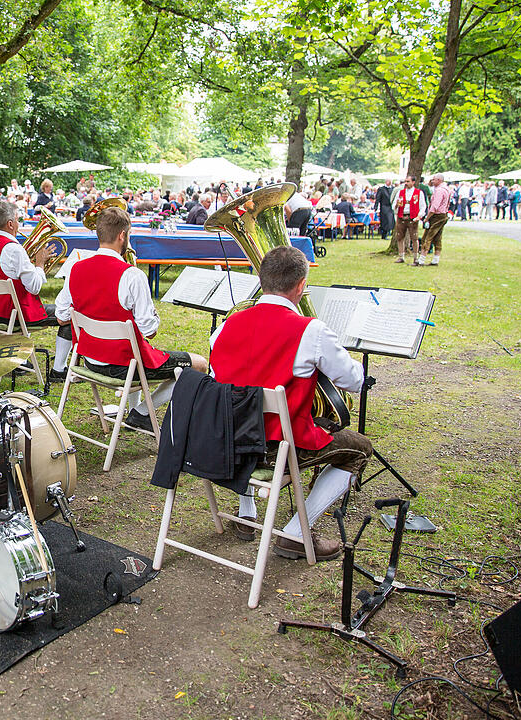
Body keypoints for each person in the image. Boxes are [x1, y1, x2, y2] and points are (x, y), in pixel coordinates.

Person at [209, 246, 372, 561]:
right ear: (300, 287)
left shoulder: (225, 327)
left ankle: (247, 512)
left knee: (244, 409)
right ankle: (296, 533)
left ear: (261, 279)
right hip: (276, 448)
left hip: (228, 441)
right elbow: (353, 381)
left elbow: (221, 383)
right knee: (360, 448)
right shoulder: (311, 330)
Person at [55, 205, 209, 431]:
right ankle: (142, 412)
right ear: (122, 235)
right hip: (122, 365)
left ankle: (136, 411)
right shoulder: (131, 275)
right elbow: (149, 331)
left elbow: (60, 317)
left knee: (137, 354)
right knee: (199, 365)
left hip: (89, 361)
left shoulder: (76, 269)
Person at [0, 200, 70, 378]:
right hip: (11, 316)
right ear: (10, 224)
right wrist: (39, 263)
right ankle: (59, 370)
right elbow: (35, 287)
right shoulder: (14, 250)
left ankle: (20, 360)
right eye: (17, 220)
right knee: (69, 313)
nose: (18, 224)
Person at [391, 176, 426, 264]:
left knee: (414, 238)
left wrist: (419, 216)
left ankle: (415, 257)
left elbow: (423, 206)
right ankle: (401, 256)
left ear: (413, 182)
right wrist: (396, 206)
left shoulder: (419, 193)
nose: (406, 183)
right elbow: (394, 204)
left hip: (413, 217)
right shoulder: (400, 192)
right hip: (401, 216)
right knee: (400, 237)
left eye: (408, 181)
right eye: (405, 181)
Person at [418, 173, 449, 266]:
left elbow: (434, 207)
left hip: (436, 215)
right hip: (443, 214)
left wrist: (427, 218)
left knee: (427, 237)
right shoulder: (446, 189)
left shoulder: (439, 191)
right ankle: (436, 259)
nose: (432, 181)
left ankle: (421, 260)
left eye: (434, 179)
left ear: (439, 180)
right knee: (438, 237)